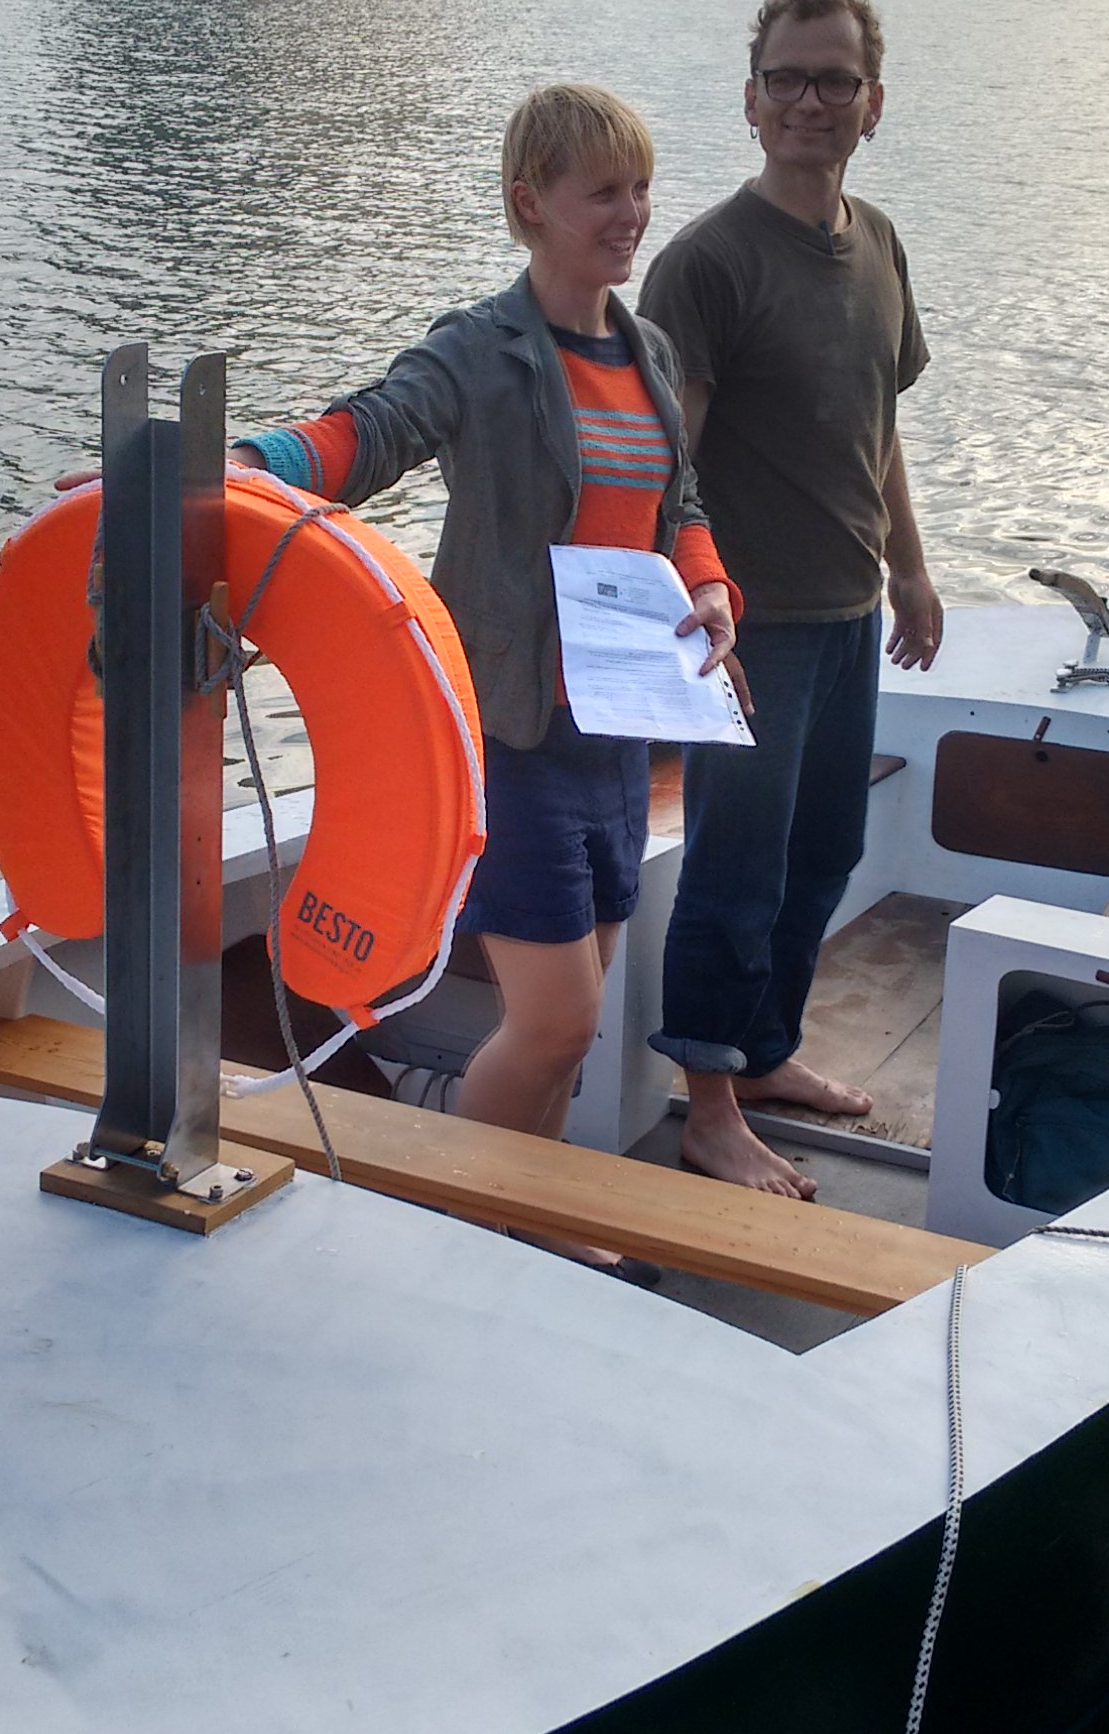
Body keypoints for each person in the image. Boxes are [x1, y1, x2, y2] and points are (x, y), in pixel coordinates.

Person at [230, 85, 738, 1205]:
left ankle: (532, 1216)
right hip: (509, 733)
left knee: (571, 1021)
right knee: (558, 1023)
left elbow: (682, 502)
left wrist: (708, 590)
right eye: (603, 191)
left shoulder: (646, 347)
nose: (632, 212)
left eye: (641, 187)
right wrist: (240, 465)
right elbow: (372, 428)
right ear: (530, 203)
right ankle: (455, 1210)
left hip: (616, 734)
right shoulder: (483, 348)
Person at [638, 0, 942, 1199]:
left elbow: (878, 426)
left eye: (834, 80)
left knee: (827, 849)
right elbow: (666, 467)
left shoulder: (878, 244)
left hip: (848, 611)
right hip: (743, 627)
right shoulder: (706, 265)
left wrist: (911, 567)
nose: (809, 101)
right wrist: (689, 611)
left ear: (874, 104)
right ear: (750, 102)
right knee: (736, 865)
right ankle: (708, 1104)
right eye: (787, 80)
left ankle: (764, 1059)